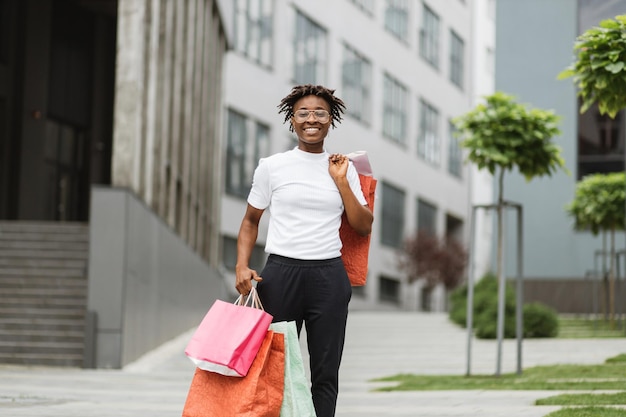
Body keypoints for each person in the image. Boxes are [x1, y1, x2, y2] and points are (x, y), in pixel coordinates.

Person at [235, 84, 374, 417]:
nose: (312, 118)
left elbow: (363, 225)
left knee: (325, 374)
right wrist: (241, 265)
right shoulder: (272, 166)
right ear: (292, 119)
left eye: (320, 112)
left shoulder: (345, 168)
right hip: (281, 276)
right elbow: (250, 221)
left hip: (328, 276)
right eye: (304, 113)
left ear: (331, 120)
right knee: (276, 371)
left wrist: (341, 181)